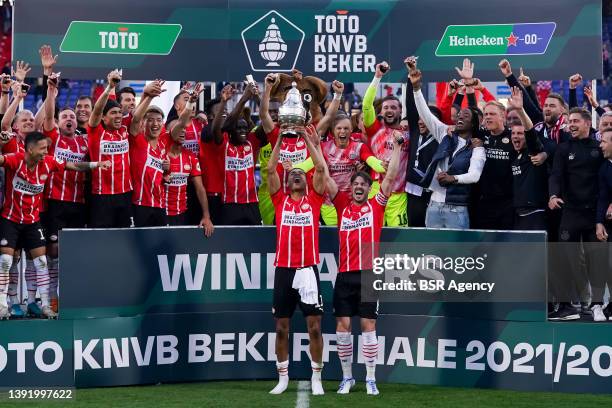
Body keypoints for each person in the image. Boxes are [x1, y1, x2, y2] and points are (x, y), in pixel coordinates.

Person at [0, 131, 109, 319]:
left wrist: (96, 165)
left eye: (47, 148)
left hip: (33, 221)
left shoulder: (49, 162)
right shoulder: (15, 160)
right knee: (5, 262)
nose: (45, 152)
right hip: (10, 220)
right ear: (30, 148)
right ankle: (2, 305)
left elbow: (73, 165)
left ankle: (45, 305)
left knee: (41, 262)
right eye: (42, 148)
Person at [327, 131, 402, 396]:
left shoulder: (377, 206)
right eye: (355, 184)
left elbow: (391, 176)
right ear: (351, 187)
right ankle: (347, 378)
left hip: (369, 275)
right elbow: (325, 176)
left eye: (363, 185)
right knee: (342, 326)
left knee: (368, 326)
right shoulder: (341, 206)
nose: (359, 187)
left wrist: (397, 148)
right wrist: (315, 145)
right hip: (345, 275)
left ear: (369, 189)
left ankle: (370, 378)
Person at [267, 125, 327, 396]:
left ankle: (317, 377)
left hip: (308, 270)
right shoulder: (279, 200)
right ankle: (282, 378)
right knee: (281, 327)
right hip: (283, 270)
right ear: (287, 181)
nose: (297, 176)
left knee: (314, 327)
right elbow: (270, 171)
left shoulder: (314, 200)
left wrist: (307, 140)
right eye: (293, 174)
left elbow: (322, 169)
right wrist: (279, 139)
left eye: (301, 174)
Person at [409, 57, 485, 229]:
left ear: (473, 124)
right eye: (459, 115)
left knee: (457, 254)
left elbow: (475, 175)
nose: (460, 117)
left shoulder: (476, 146)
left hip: (457, 209)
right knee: (431, 254)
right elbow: (426, 114)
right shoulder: (444, 133)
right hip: (434, 206)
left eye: (465, 116)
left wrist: (453, 178)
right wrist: (416, 88)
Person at [548, 108, 607, 322]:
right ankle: (567, 306)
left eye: (575, 121)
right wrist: (553, 195)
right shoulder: (563, 149)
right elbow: (556, 175)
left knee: (597, 260)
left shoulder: (599, 147)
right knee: (566, 259)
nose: (570, 125)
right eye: (569, 121)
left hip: (594, 215)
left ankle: (597, 305)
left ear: (586, 124)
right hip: (570, 213)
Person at [41, 72, 90, 312]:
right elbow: (48, 114)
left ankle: (73, 295)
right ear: (59, 122)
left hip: (79, 203)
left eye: (72, 116)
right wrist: (51, 92)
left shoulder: (85, 142)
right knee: (54, 251)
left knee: (75, 252)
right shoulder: (54, 138)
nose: (69, 119)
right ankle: (51, 297)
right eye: (65, 116)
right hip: (56, 202)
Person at [362, 61, 410, 226]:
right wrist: (377, 77)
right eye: (386, 108)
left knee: (400, 237)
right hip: (376, 190)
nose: (389, 110)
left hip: (399, 195)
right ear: (380, 112)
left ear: (400, 111)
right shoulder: (375, 129)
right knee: (373, 235)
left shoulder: (408, 134)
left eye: (394, 107)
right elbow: (366, 105)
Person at [212, 82, 264, 225]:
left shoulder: (251, 142)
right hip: (229, 205)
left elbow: (267, 123)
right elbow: (219, 128)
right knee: (230, 246)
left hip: (252, 203)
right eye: (238, 128)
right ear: (230, 131)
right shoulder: (223, 144)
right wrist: (227, 101)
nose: (242, 131)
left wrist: (257, 98)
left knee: (254, 245)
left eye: (245, 128)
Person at [87, 69, 134, 228]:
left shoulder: (124, 130)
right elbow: (98, 110)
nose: (118, 116)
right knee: (101, 239)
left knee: (124, 239)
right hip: (101, 196)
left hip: (125, 194)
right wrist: (109, 87)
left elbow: (117, 106)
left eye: (120, 113)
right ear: (103, 118)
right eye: (113, 113)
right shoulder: (96, 132)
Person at [165, 89, 214, 234]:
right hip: (161, 207)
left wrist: (206, 215)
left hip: (189, 192)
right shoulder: (165, 138)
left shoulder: (200, 123)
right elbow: (179, 124)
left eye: (191, 99)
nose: (183, 131)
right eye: (185, 99)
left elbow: (200, 188)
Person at [127, 80, 173, 227]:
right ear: (143, 123)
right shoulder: (137, 140)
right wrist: (149, 96)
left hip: (159, 206)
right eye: (150, 120)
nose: (155, 124)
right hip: (138, 206)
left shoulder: (162, 146)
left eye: (159, 120)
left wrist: (167, 171)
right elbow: (135, 120)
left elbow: (163, 177)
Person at [506, 87, 550, 230]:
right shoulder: (514, 153)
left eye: (520, 133)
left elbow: (530, 132)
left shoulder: (533, 151)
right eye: (513, 134)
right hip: (517, 214)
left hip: (535, 215)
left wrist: (520, 110)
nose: (515, 136)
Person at [596, 129, 612, 317]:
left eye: (605, 142)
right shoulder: (604, 168)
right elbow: (602, 197)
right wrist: (599, 222)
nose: (600, 145)